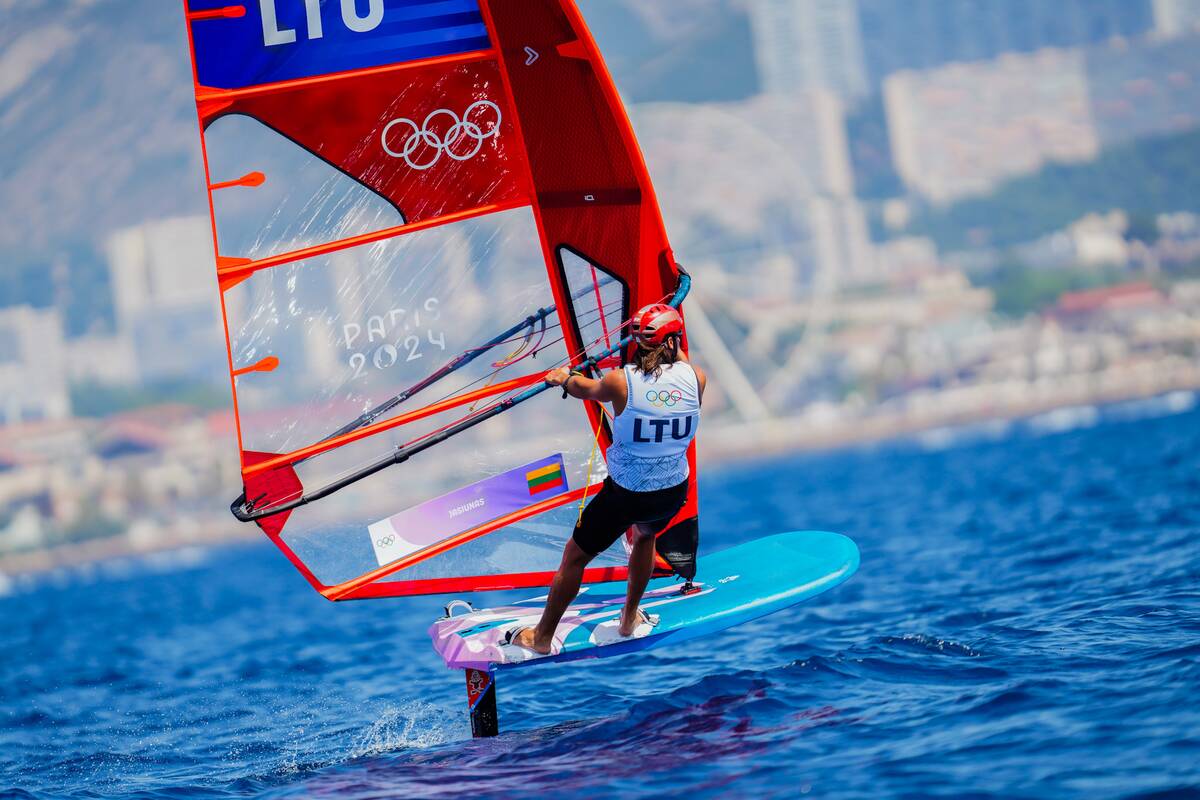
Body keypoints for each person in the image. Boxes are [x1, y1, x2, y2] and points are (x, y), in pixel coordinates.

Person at [510, 303, 706, 654]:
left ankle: (541, 638)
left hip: (626, 496)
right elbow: (680, 366)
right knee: (645, 536)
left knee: (574, 558)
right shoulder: (697, 378)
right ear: (673, 342)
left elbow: (584, 388)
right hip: (672, 492)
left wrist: (562, 378)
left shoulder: (620, 381)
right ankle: (628, 620)